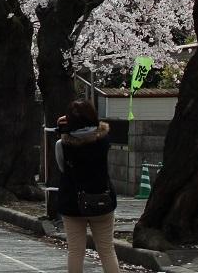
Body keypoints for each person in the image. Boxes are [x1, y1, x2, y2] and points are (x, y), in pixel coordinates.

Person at [55, 99, 120, 273]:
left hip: (72, 203)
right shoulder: (104, 141)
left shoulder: (62, 145)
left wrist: (60, 130)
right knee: (107, 250)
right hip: (102, 200)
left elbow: (62, 167)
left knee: (76, 251)